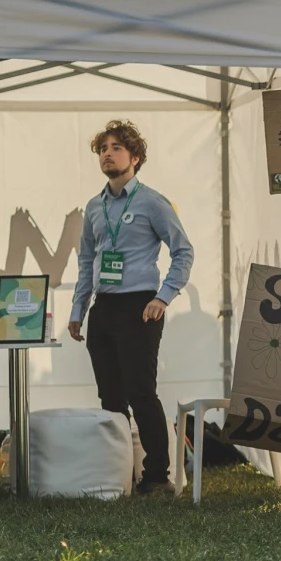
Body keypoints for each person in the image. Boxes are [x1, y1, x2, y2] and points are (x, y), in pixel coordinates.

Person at [68, 120, 194, 495]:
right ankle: (119, 475)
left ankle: (157, 477)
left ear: (135, 157)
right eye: (103, 149)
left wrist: (163, 296)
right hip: (103, 308)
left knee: (141, 393)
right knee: (110, 399)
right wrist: (78, 309)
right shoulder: (94, 207)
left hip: (141, 307)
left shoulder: (153, 202)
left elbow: (183, 251)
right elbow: (87, 260)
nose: (107, 153)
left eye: (116, 148)